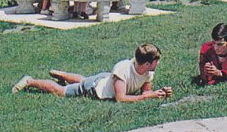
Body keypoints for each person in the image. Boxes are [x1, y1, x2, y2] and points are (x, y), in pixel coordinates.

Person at [12, 43, 172, 102]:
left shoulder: (148, 72)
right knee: (61, 91)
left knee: (84, 80)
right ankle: (29, 81)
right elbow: (121, 98)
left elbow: (146, 91)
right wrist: (146, 97)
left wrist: (158, 93)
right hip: (95, 88)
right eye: (156, 61)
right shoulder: (123, 69)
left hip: (103, 80)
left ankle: (61, 74)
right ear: (146, 63)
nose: (158, 63)